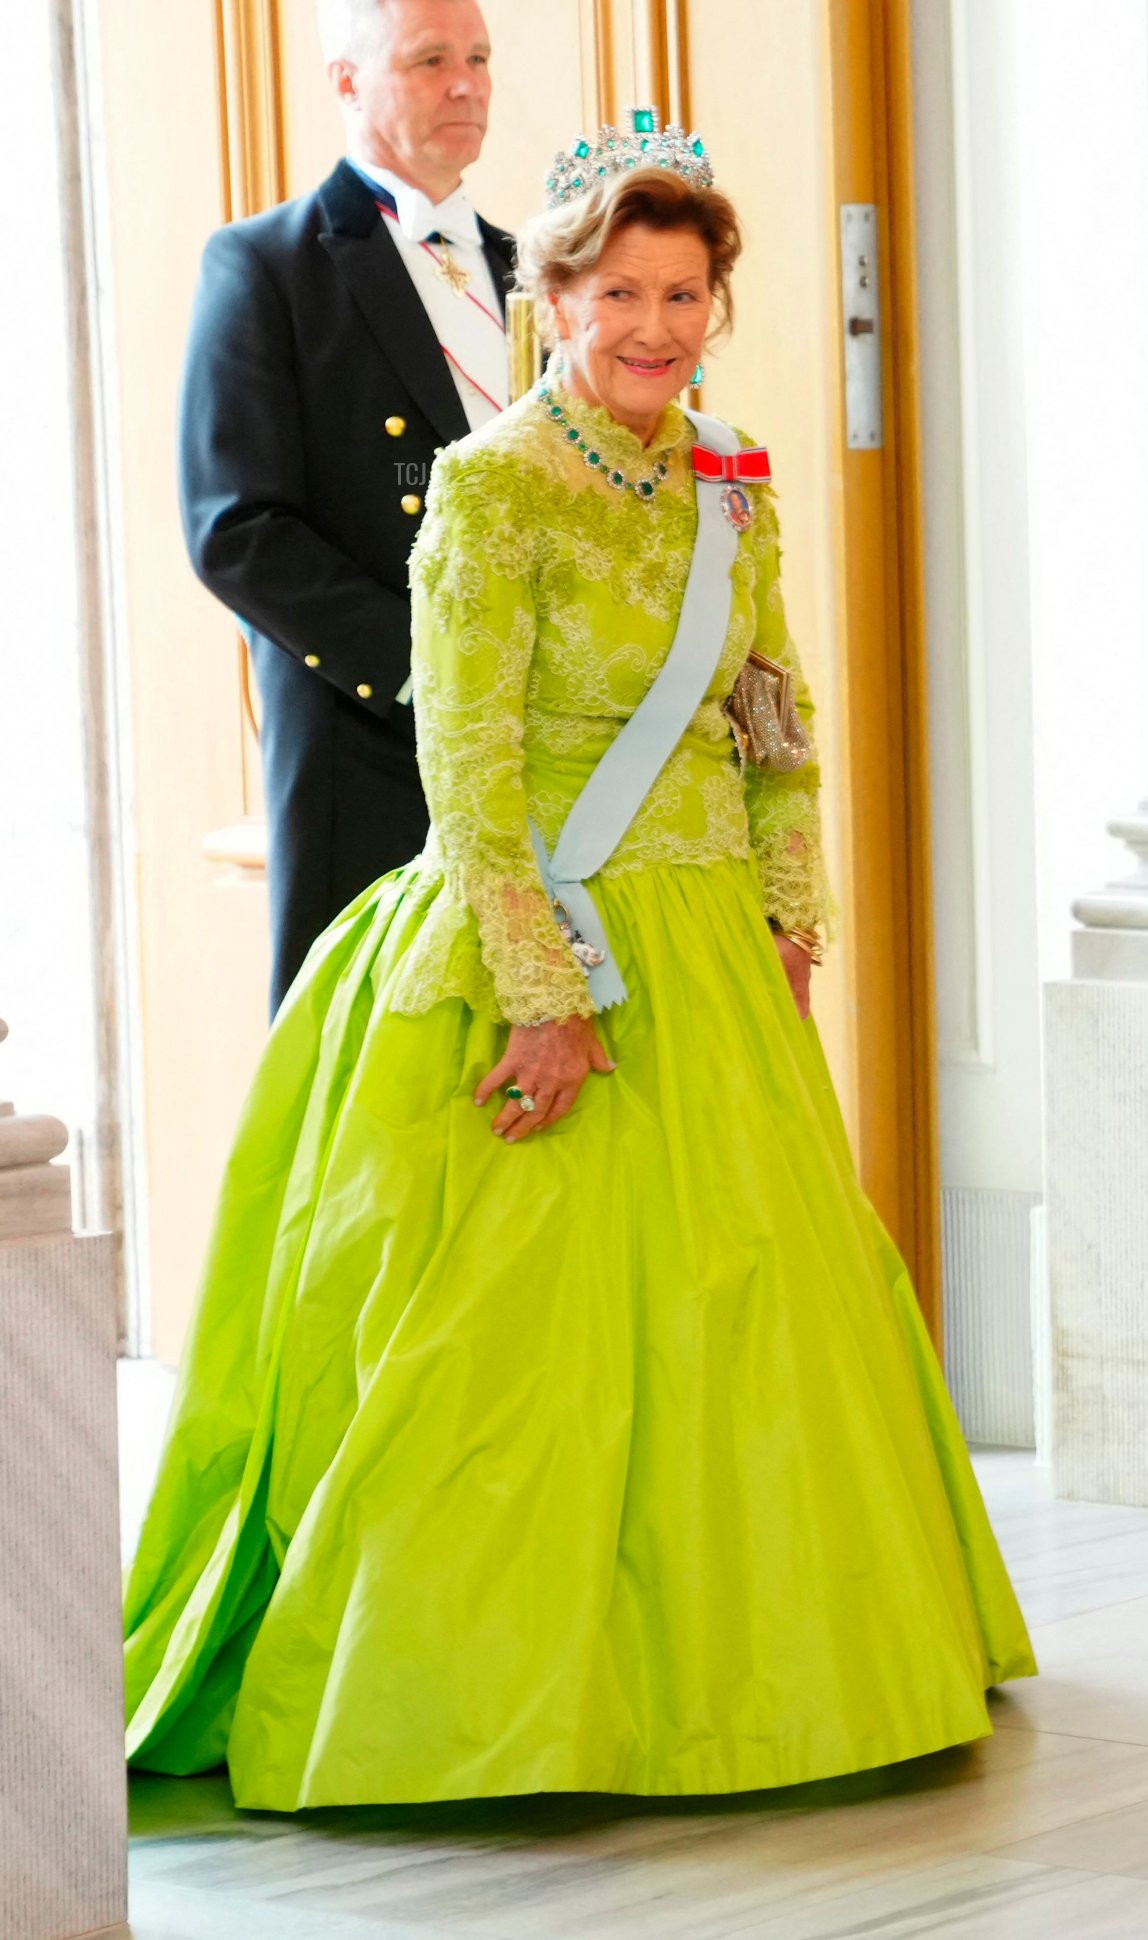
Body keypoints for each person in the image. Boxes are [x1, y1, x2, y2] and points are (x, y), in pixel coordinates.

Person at [126, 118, 1035, 1811]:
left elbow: (773, 711)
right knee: (502, 1347)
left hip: (709, 949)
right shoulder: (488, 492)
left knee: (751, 1321)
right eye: (621, 289)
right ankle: (492, 1699)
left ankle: (762, 1677)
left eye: (685, 293)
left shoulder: (730, 479)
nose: (655, 326)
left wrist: (791, 912)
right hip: (536, 929)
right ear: (555, 299)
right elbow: (465, 774)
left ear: (718, 304)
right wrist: (545, 998)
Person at [179, 0, 513, 1015]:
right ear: (345, 82)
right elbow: (235, 528)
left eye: (478, 58)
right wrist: (441, 673)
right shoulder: (268, 265)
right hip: (369, 747)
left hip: (542, 740)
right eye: (429, 61)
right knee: (373, 1083)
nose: (465, 83)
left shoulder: (535, 265)